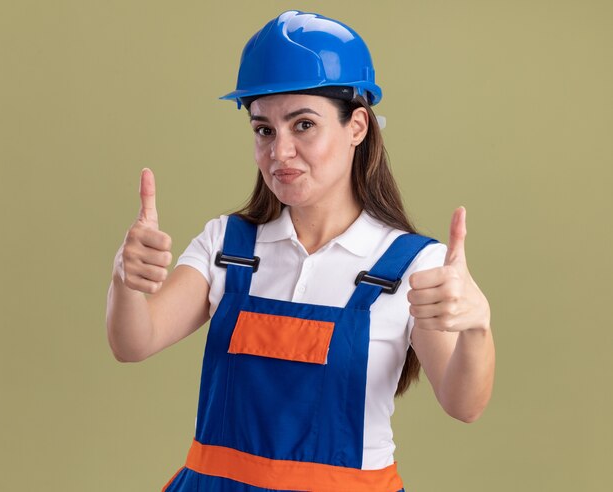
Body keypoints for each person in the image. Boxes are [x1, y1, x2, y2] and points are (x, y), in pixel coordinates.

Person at [106, 10, 495, 492]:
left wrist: (477, 325)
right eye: (263, 129)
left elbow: (464, 404)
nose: (280, 152)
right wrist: (125, 278)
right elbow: (133, 342)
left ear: (357, 126)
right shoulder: (227, 246)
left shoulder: (412, 266)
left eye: (303, 125)